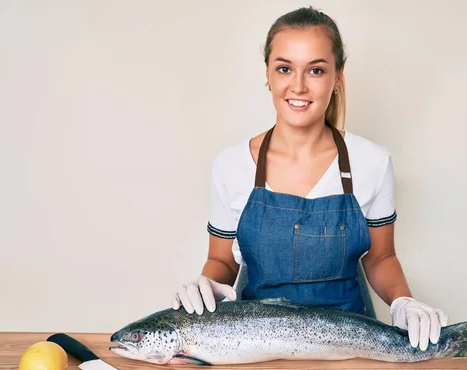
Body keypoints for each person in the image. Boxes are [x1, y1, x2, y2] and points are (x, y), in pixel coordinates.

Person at [171, 6, 448, 351]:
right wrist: (206, 284)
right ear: (268, 75)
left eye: (315, 70)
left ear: (337, 77)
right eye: (285, 68)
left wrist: (404, 302)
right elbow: (223, 260)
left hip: (352, 344)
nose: (298, 86)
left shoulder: (372, 162)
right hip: (253, 344)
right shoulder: (230, 165)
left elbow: (381, 258)